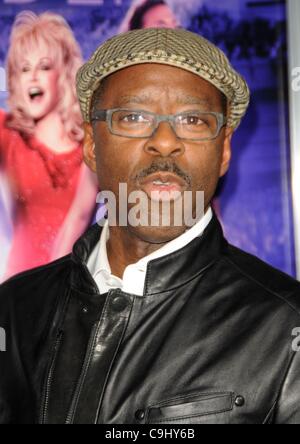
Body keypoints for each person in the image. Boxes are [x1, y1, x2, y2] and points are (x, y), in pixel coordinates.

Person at [1, 27, 300, 425]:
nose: (164, 141)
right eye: (134, 117)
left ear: (224, 149)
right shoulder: (15, 309)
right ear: (91, 143)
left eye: (192, 119)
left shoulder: (286, 326)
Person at [0, 11, 98, 280]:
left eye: (44, 66)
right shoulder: (9, 133)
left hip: (63, 288)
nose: (32, 77)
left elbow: (78, 221)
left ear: (64, 73)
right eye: (23, 68)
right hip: (14, 286)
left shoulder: (91, 145)